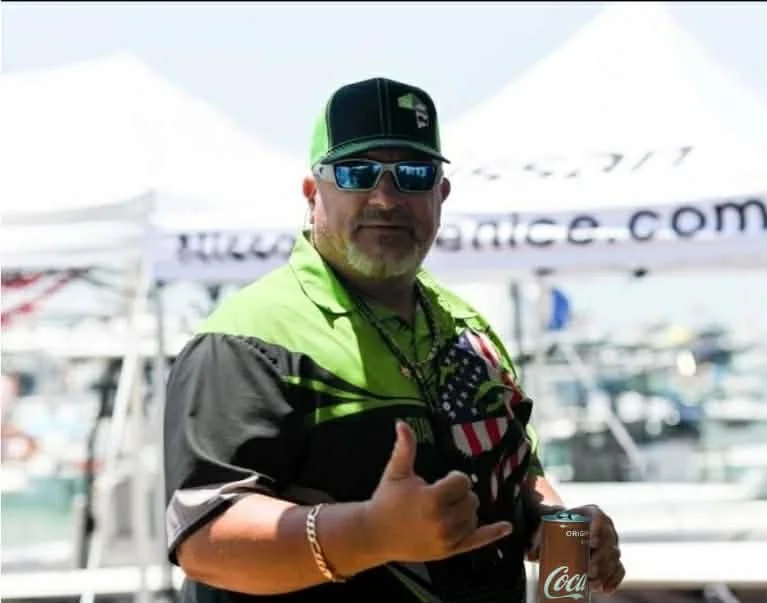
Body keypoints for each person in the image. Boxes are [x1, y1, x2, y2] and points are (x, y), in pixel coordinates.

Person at [163, 77, 625, 603]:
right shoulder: (250, 337)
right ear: (313, 194)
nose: (385, 198)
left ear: (440, 194)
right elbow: (204, 540)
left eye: (413, 174)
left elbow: (515, 474)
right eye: (357, 173)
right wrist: (369, 534)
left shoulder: (469, 330)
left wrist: (560, 525)